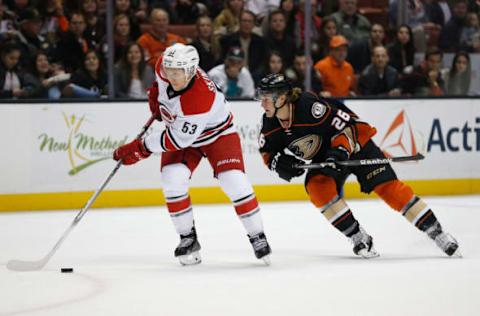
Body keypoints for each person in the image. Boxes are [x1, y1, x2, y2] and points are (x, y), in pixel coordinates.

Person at [255, 73, 460, 258]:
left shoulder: (309, 107)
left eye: (265, 98)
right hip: (325, 158)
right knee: (318, 188)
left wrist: (340, 151)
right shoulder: (270, 124)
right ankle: (358, 236)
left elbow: (350, 127)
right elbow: (267, 153)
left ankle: (437, 232)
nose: (262, 103)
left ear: (281, 98)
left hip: (355, 146)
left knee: (389, 189)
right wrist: (281, 164)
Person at [112, 43, 271, 265]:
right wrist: (157, 96)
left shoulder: (199, 99)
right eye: (169, 71)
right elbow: (160, 84)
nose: (171, 76)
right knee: (172, 179)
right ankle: (188, 237)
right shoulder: (163, 66)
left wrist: (140, 148)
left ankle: (257, 235)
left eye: (177, 73)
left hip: (218, 134)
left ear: (190, 71)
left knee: (233, 180)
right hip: (183, 130)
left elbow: (176, 139)